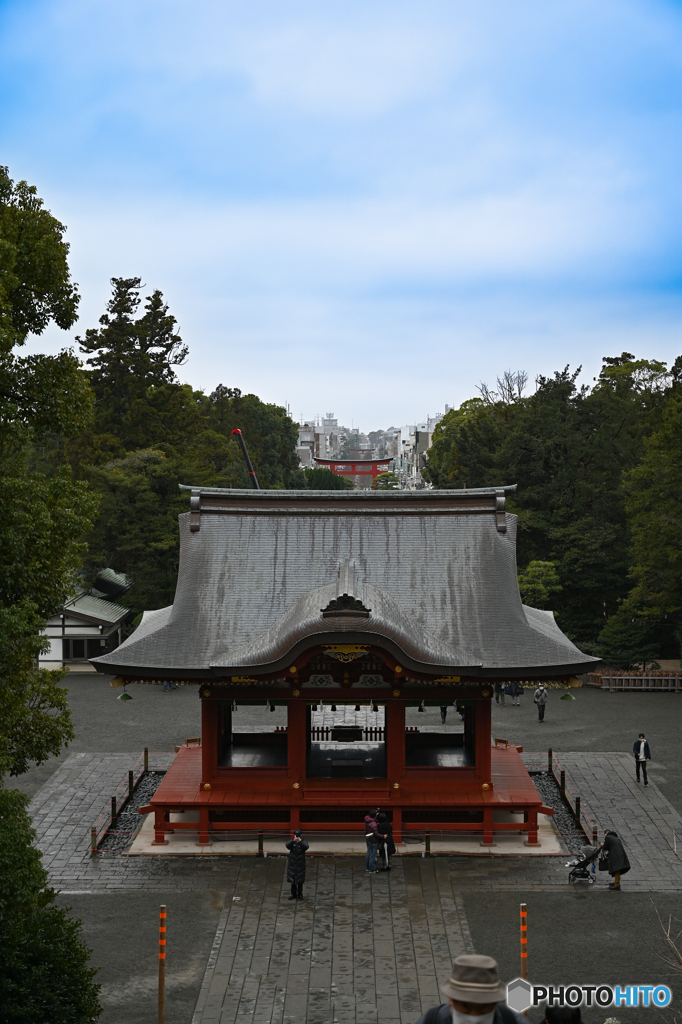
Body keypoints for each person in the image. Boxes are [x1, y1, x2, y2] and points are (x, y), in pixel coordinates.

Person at [414, 953, 522, 1023]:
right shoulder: (431, 1021)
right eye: (465, 1006)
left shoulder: (512, 1021)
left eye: (484, 1007)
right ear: (451, 999)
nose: (474, 1017)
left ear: (495, 1003)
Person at [285, 829, 308, 900]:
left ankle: (300, 894)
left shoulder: (303, 842)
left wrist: (300, 841)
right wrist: (293, 841)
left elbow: (306, 846)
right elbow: (287, 845)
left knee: (300, 881)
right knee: (293, 881)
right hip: (292, 863)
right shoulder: (293, 842)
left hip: (300, 864)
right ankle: (293, 894)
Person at [365, 809, 380, 874]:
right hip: (373, 840)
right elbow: (376, 834)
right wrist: (383, 836)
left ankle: (368, 867)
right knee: (373, 855)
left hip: (368, 838)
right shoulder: (373, 824)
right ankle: (372, 869)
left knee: (369, 853)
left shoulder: (368, 820)